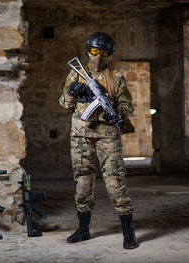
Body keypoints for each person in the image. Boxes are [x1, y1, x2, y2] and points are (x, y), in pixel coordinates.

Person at [59, 32, 138, 249]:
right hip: (81, 134)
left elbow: (127, 106)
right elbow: (65, 104)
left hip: (107, 135)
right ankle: (83, 229)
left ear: (110, 53)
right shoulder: (75, 74)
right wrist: (73, 91)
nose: (98, 56)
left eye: (103, 52)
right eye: (94, 51)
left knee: (115, 181)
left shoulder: (116, 77)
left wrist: (112, 109)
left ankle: (128, 232)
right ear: (87, 50)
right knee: (83, 181)